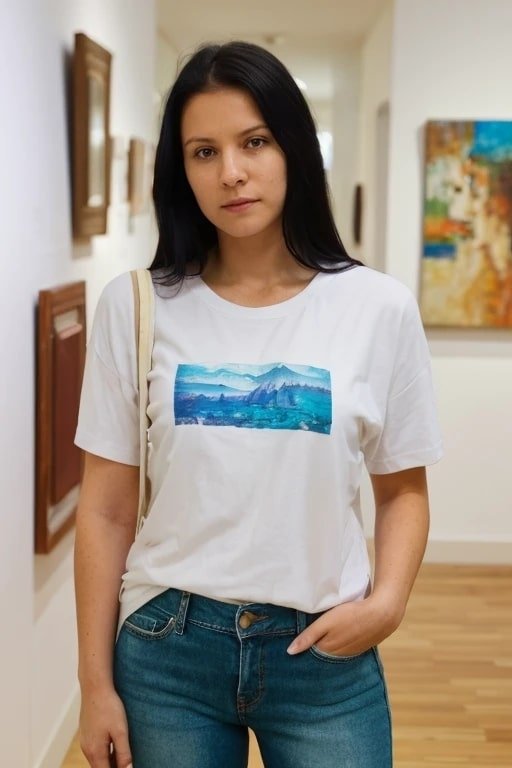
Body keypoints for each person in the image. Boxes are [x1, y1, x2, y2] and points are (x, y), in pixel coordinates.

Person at [74, 40, 443, 768]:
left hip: (325, 653)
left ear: (294, 148)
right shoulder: (137, 305)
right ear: (180, 170)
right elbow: (106, 509)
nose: (231, 173)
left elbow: (403, 488)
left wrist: (388, 603)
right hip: (168, 650)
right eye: (203, 152)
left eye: (254, 142)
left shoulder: (377, 307)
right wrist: (93, 685)